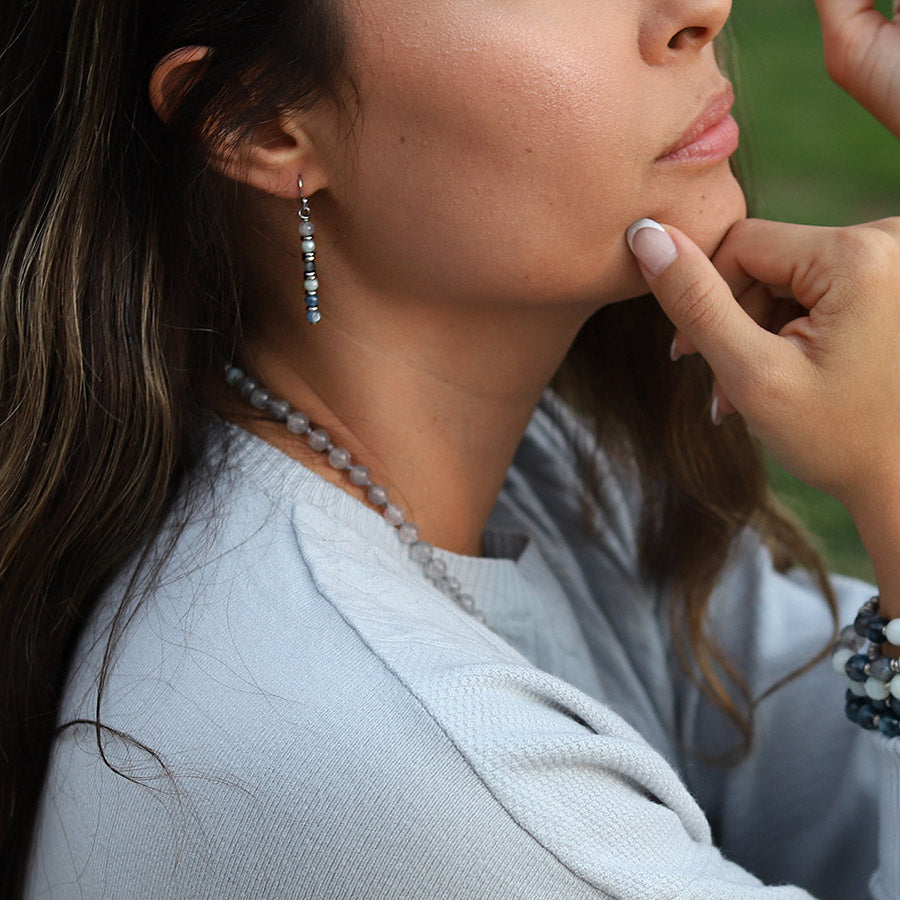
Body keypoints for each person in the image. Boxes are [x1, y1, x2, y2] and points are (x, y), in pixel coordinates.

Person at [3, 0, 900, 896]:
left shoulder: (547, 478)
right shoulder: (409, 774)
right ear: (262, 121)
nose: (700, 10)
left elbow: (835, 780)